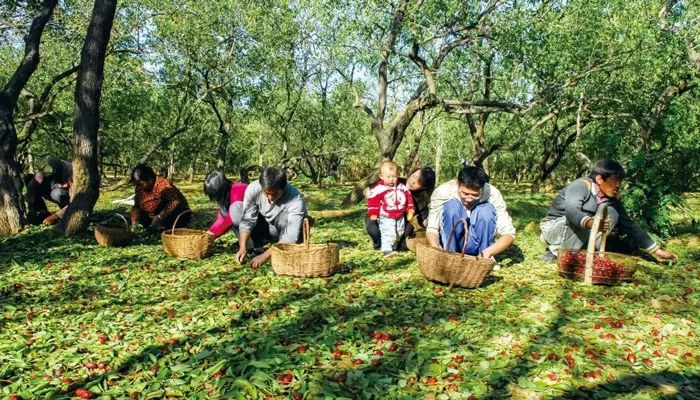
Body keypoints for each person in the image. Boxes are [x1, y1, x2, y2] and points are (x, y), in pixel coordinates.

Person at [539, 159, 677, 262]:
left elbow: (630, 226)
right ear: (599, 179)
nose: (619, 185)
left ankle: (586, 251)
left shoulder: (611, 199)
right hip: (553, 230)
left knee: (612, 213)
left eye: (620, 181)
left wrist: (657, 251)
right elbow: (571, 212)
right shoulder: (580, 186)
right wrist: (592, 223)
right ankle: (557, 252)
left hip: (578, 234)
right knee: (585, 216)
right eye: (615, 180)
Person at [426, 165, 516, 260]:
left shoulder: (492, 193)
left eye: (474, 195)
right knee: (451, 207)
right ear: (458, 184)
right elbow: (432, 228)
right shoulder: (443, 192)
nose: (469, 199)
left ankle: (483, 258)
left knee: (486, 210)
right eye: (465, 193)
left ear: (482, 188)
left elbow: (509, 233)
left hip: (479, 244)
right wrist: (436, 247)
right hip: (454, 241)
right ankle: (450, 256)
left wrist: (489, 251)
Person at [234, 167, 309, 268]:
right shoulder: (253, 188)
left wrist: (264, 257)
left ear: (284, 188)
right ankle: (254, 246)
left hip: (281, 232)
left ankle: (280, 250)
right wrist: (242, 247)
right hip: (265, 226)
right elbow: (247, 220)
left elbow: (291, 236)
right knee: (235, 208)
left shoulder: (295, 199)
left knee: (284, 217)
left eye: (274, 193)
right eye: (266, 193)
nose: (270, 198)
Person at [365, 166, 436, 250]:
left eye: (419, 182)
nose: (413, 182)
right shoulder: (394, 180)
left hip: (401, 227)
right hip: (382, 217)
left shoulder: (421, 202)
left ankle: (396, 245)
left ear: (424, 187)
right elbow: (371, 189)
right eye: (414, 177)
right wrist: (368, 193)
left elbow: (419, 224)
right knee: (372, 228)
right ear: (412, 173)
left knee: (404, 232)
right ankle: (380, 244)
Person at [366, 161, 415, 257]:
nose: (391, 179)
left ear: (397, 175)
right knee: (388, 231)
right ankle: (387, 249)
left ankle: (394, 247)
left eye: (394, 176)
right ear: (381, 176)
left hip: (400, 215)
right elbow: (373, 201)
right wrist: (373, 213)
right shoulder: (379, 188)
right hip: (386, 216)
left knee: (399, 232)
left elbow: (409, 198)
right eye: (388, 177)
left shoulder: (402, 187)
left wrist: (410, 208)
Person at [129, 164, 190, 232]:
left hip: (175, 214)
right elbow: (136, 206)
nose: (139, 187)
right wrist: (134, 224)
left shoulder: (164, 185)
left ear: (150, 180)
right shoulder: (139, 189)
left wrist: (159, 217)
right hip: (154, 216)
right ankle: (154, 227)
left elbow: (174, 201)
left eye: (141, 184)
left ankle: (163, 227)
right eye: (137, 185)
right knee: (142, 215)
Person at [26, 157, 73, 225]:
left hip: (65, 194)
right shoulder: (45, 167)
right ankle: (43, 212)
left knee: (56, 194)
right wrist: (31, 209)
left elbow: (75, 201)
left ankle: (67, 215)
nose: (47, 177)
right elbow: (32, 185)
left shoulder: (72, 173)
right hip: (55, 187)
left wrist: (56, 215)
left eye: (50, 176)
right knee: (29, 178)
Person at [203, 170, 249, 239]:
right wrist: (208, 233)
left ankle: (251, 246)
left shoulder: (238, 190)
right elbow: (221, 218)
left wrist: (212, 235)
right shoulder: (226, 196)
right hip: (249, 224)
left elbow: (230, 220)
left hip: (261, 224)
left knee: (234, 210)